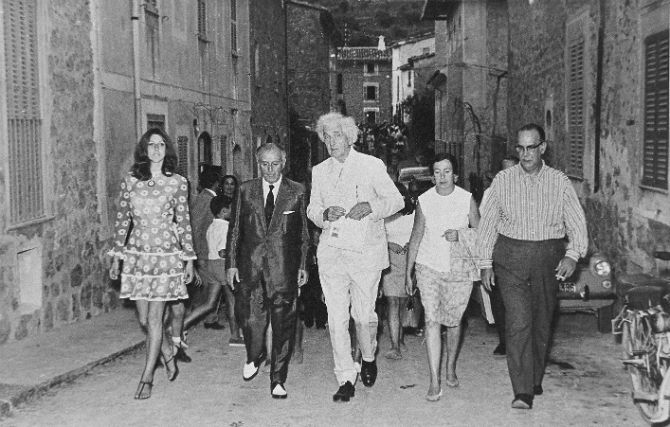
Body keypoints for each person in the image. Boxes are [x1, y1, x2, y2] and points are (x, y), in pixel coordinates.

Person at [477, 123, 588, 410]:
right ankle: (522, 389)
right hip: (510, 258)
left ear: (542, 148)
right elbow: (487, 224)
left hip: (548, 257)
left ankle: (535, 375)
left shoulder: (559, 181)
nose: (524, 154)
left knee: (541, 321)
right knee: (518, 322)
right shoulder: (502, 181)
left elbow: (576, 221)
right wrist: (485, 263)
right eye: (520, 148)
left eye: (530, 148)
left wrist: (572, 255)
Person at [307, 112, 403, 402]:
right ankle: (345, 377)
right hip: (333, 253)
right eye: (326, 136)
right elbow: (312, 209)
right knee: (336, 320)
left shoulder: (371, 165)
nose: (331, 141)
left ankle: (369, 355)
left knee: (363, 315)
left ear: (349, 137)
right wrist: (323, 215)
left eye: (336, 135)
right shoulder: (319, 171)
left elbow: (396, 200)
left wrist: (370, 206)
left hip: (365, 254)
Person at [108, 128, 195, 400]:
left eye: (160, 144)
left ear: (166, 149)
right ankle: (167, 350)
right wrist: (116, 256)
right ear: (144, 150)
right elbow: (123, 221)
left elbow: (184, 222)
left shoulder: (178, 182)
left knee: (155, 318)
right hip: (137, 256)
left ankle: (146, 378)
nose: (156, 149)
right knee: (145, 319)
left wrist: (188, 259)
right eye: (151, 144)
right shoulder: (130, 181)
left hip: (166, 256)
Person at [226, 143, 310, 399]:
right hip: (251, 266)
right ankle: (255, 352)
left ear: (283, 161)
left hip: (284, 269)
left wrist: (304, 266)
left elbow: (304, 235)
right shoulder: (245, 190)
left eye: (275, 164)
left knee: (283, 324)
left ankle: (278, 379)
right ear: (257, 162)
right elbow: (235, 230)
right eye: (265, 164)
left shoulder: (296, 191)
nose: (270, 170)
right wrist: (231, 263)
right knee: (250, 318)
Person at [405, 153, 480, 402]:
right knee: (432, 320)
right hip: (428, 267)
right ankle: (434, 379)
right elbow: (415, 236)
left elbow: (480, 234)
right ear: (432, 175)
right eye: (437, 172)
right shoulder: (424, 201)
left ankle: (450, 366)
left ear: (455, 174)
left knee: (454, 321)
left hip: (458, 268)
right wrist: (408, 271)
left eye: (447, 171)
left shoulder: (466, 199)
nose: (442, 176)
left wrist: (461, 235)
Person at [182, 196, 243, 345]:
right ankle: (235, 337)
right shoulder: (226, 228)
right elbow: (223, 252)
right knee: (232, 301)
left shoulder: (211, 226)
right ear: (224, 211)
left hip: (211, 265)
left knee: (210, 303)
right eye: (231, 208)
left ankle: (181, 325)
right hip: (223, 266)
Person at [480, 155, 519, 356]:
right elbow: (485, 225)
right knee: (500, 298)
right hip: (499, 251)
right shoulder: (490, 193)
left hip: (523, 252)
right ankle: (504, 340)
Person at [381, 182, 415, 360]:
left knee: (403, 302)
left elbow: (419, 235)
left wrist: (411, 244)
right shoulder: (382, 216)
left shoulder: (414, 214)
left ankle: (399, 336)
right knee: (393, 302)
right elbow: (375, 237)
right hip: (389, 261)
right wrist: (388, 244)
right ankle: (394, 346)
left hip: (408, 261)